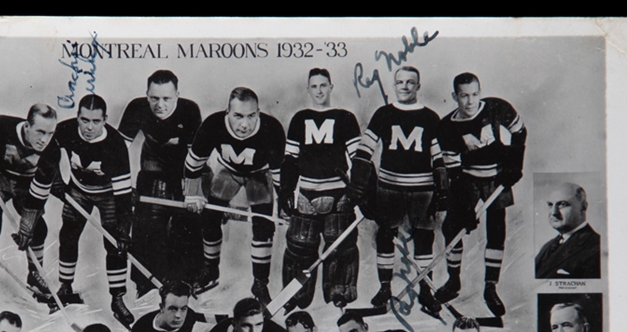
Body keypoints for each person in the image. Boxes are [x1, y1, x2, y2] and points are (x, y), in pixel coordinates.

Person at [347, 66, 448, 316]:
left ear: (418, 86)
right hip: (389, 188)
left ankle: (426, 289)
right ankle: (384, 288)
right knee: (385, 236)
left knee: (425, 241)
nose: (404, 86)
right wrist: (358, 186)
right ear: (394, 85)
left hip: (422, 190)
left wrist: (443, 190)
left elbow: (438, 158)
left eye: (410, 82)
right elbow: (364, 150)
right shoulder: (383, 114)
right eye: (400, 82)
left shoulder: (430, 117)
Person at [432, 72, 528, 317]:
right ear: (455, 96)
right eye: (464, 96)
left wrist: (514, 165)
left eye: (475, 94)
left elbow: (519, 132)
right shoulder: (446, 126)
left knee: (496, 231)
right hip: (468, 179)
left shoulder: (497, 108)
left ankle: (490, 288)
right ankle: (454, 281)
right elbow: (453, 169)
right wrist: (465, 208)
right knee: (452, 227)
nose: (470, 101)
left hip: (497, 178)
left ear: (480, 92)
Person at [184, 87, 286, 305]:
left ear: (258, 113)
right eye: (238, 116)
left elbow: (279, 174)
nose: (244, 124)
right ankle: (211, 271)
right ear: (227, 112)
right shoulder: (213, 125)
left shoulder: (271, 128)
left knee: (263, 225)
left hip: (259, 174)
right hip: (228, 171)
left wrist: (285, 203)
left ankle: (260, 282)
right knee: (209, 217)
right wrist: (192, 194)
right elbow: (193, 164)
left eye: (251, 116)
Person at [43, 94, 136, 328]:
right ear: (77, 117)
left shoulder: (115, 144)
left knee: (115, 244)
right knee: (68, 234)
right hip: (79, 190)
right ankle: (65, 286)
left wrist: (125, 227)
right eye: (84, 120)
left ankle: (117, 298)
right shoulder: (64, 130)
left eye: (95, 121)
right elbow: (47, 155)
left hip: (109, 194)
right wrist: (54, 178)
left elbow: (124, 194)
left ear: (105, 120)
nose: (89, 127)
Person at [0, 103, 60, 313]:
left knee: (38, 230)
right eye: (40, 132)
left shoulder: (52, 151)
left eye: (50, 133)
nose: (44, 139)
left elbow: (40, 192)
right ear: (26, 126)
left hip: (26, 184)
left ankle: (35, 273)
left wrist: (27, 226)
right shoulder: (2, 125)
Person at [279, 68, 363, 310]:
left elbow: (358, 157)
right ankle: (296, 296)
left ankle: (339, 294)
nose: (319, 91)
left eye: (323, 85)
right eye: (314, 86)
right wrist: (285, 191)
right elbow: (290, 159)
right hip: (307, 193)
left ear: (331, 87)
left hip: (338, 193)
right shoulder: (299, 118)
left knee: (340, 245)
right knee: (300, 246)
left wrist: (360, 189)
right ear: (308, 89)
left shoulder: (345, 117)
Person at [118, 70, 204, 297]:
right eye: (154, 98)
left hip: (185, 166)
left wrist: (193, 192)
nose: (160, 105)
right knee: (147, 222)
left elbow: (196, 157)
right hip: (152, 164)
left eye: (167, 99)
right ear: (146, 94)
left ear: (177, 95)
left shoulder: (190, 110)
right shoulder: (136, 107)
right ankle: (144, 282)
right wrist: (120, 185)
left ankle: (187, 280)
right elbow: (117, 150)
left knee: (187, 220)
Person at [535, 182, 601, 279]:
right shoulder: (547, 246)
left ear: (583, 207)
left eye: (562, 204)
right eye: (550, 204)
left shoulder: (596, 246)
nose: (553, 212)